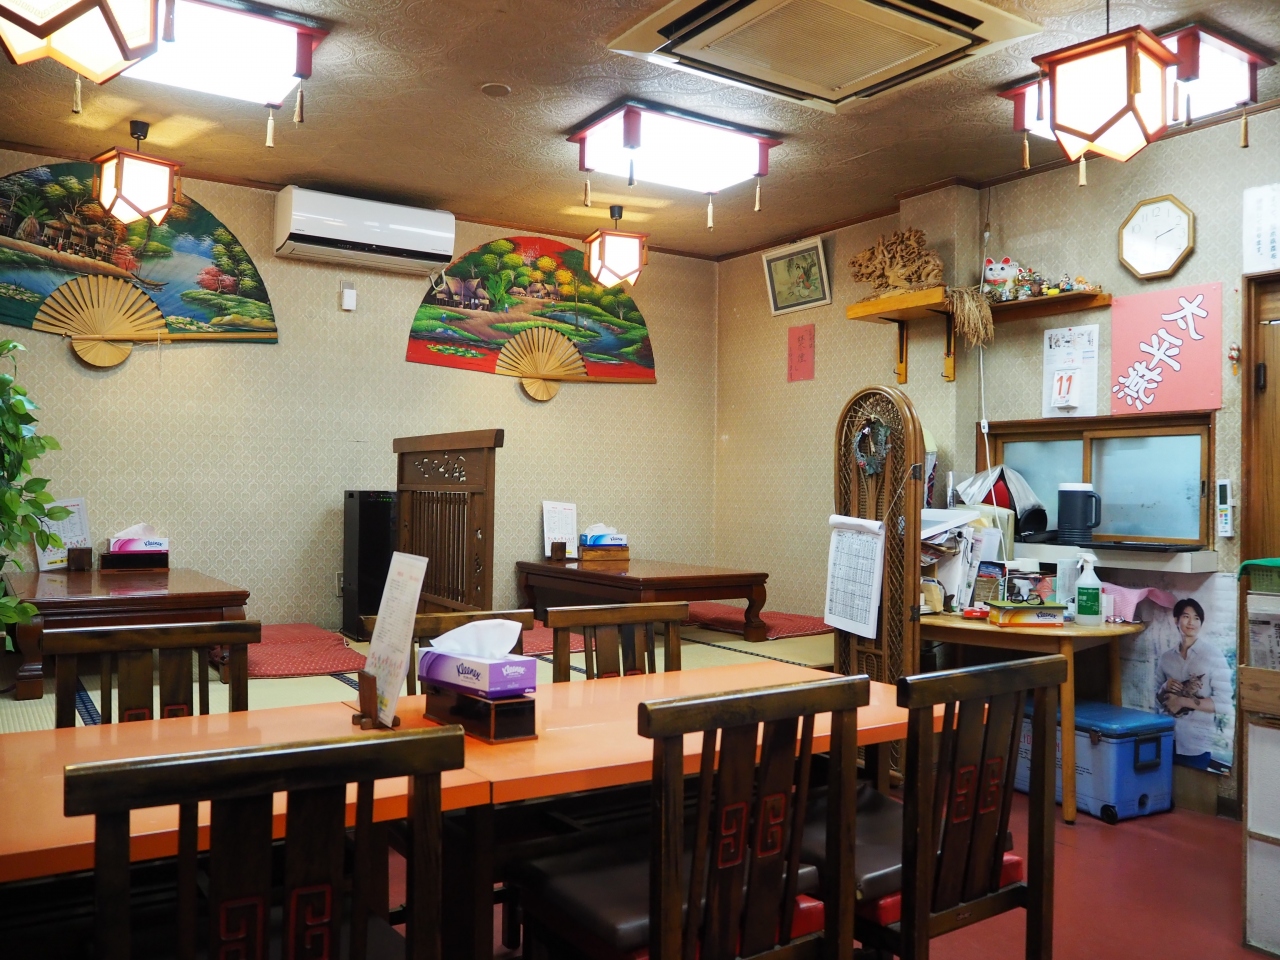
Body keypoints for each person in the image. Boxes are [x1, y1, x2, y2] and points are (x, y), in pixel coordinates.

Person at [1155, 598, 1233, 773]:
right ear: (1176, 620)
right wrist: (1165, 687)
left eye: (1196, 618)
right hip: (1166, 737)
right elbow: (1155, 700)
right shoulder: (1166, 658)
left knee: (1193, 787)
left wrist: (1182, 701)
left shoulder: (1213, 656)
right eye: (1186, 616)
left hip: (1196, 743)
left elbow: (1224, 703)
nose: (1191, 622)